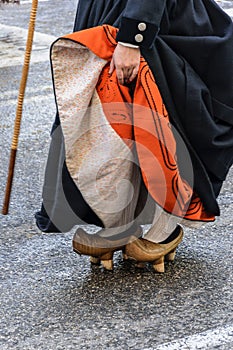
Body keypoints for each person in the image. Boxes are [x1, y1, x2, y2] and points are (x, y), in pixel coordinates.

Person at [36, 0, 233, 272]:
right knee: (112, 120)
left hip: (150, 13)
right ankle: (120, 223)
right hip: (107, 9)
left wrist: (132, 37)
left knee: (161, 118)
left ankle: (167, 226)